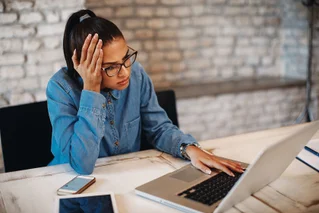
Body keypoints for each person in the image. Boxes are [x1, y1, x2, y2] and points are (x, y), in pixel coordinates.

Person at [46, 9, 244, 176]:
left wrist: (189, 149)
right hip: (66, 183)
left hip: (126, 175)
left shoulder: (137, 74)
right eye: (111, 67)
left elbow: (158, 128)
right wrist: (92, 88)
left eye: (126, 58)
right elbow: (82, 165)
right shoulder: (61, 88)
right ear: (85, 65)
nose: (125, 72)